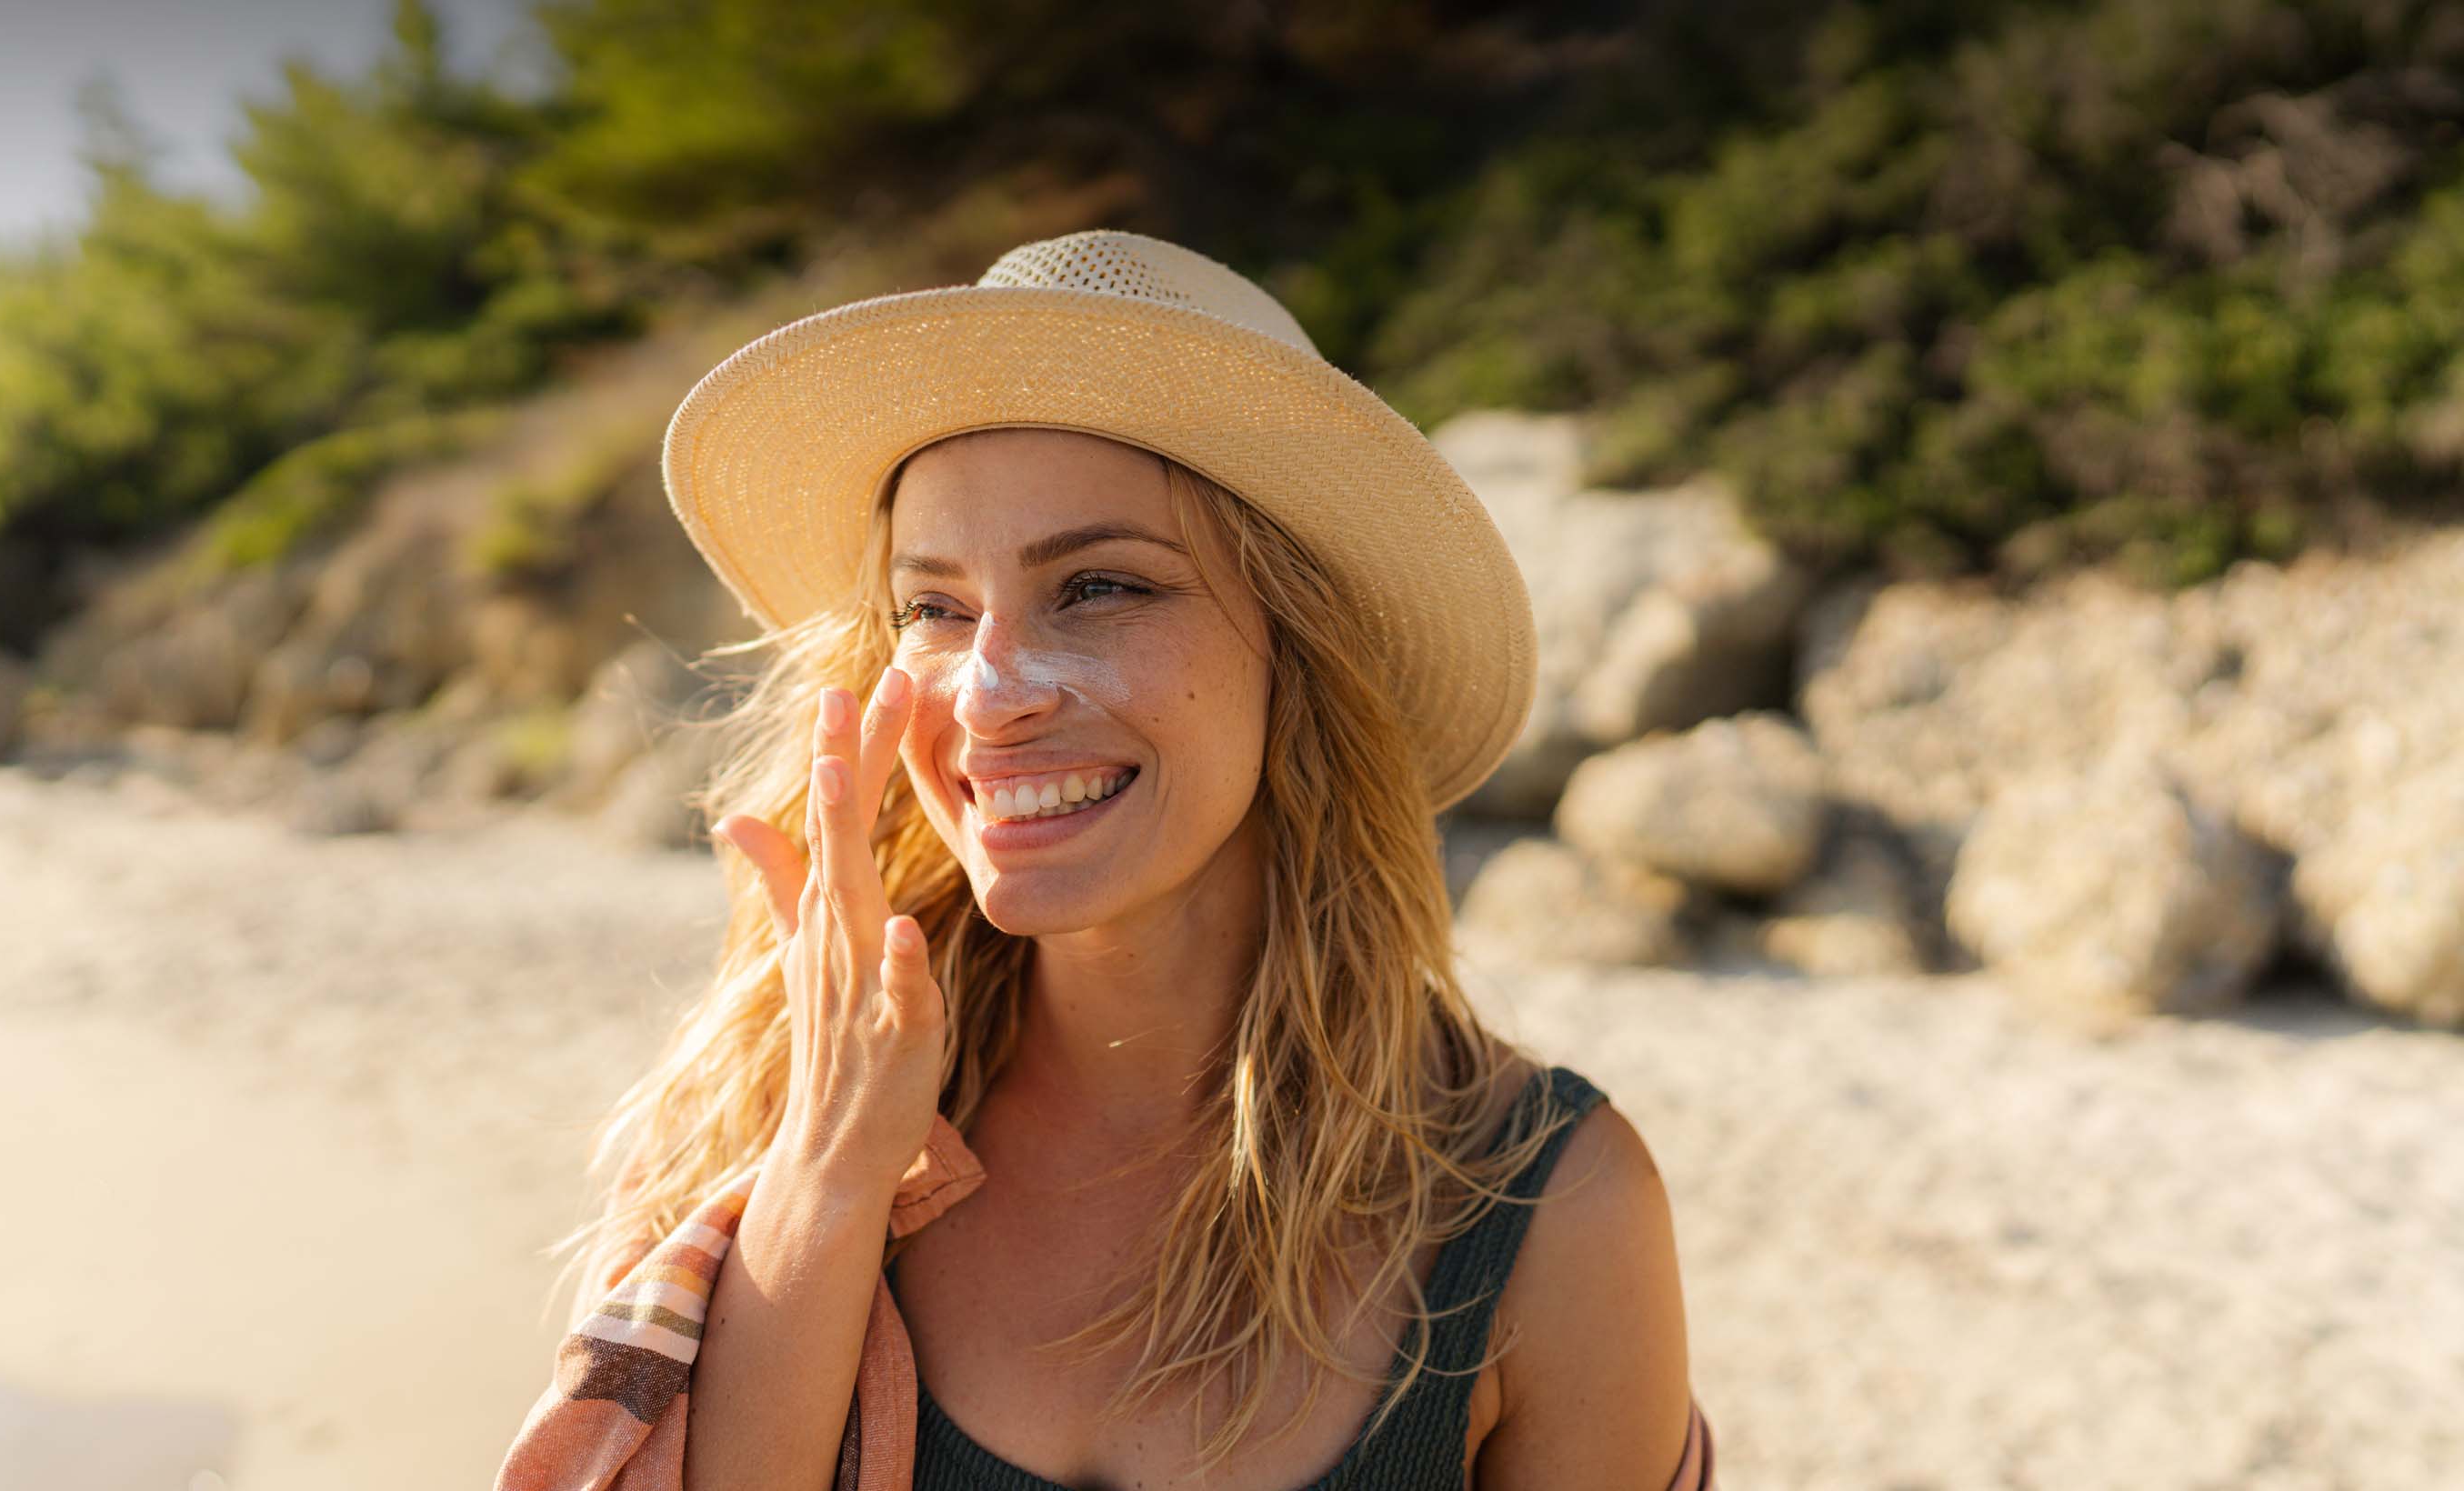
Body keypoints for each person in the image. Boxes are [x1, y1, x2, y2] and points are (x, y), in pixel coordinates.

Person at [549, 229, 1711, 1489]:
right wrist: (828, 1170)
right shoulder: (755, 1116)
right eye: (933, 608)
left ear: (1300, 649)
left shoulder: (1543, 1208)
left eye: (1099, 587)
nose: (988, 696)